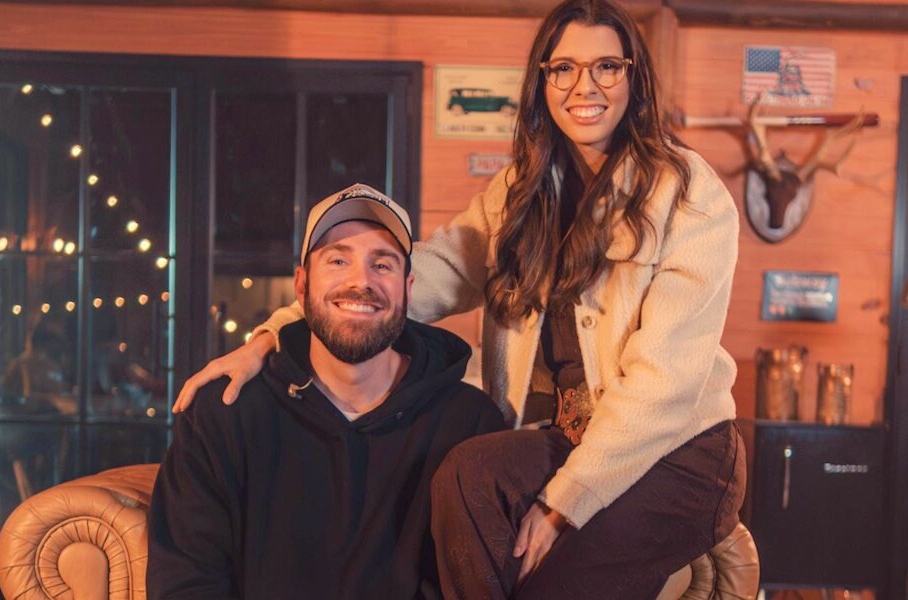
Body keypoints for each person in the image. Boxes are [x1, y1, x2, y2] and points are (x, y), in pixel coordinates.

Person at [172, 0, 746, 597]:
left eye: (607, 66)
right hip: (568, 435)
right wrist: (274, 335)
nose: (585, 86)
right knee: (468, 473)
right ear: (543, 81)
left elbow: (665, 383)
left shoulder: (688, 193)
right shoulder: (520, 193)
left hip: (678, 452)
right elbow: (416, 278)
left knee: (545, 582)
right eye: (564, 68)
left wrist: (562, 504)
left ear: (633, 77)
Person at [147, 183, 505, 599]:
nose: (361, 281)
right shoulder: (223, 415)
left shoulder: (468, 423)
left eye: (382, 264)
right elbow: (185, 582)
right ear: (301, 286)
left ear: (409, 289)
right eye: (338, 260)